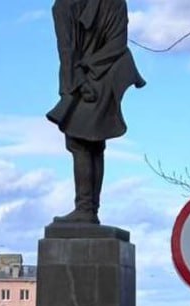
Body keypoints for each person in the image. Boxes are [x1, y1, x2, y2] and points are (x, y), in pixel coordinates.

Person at [47, 0, 146, 225]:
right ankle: (89, 209)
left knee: (80, 142)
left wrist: (80, 80)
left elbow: (66, 49)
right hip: (106, 76)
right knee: (94, 144)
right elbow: (117, 44)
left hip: (86, 79)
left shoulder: (63, 5)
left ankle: (85, 208)